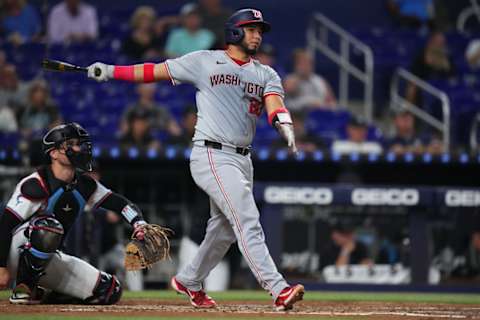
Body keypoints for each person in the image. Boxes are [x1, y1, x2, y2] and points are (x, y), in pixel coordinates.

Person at [87, 8, 304, 311]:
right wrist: (110, 71)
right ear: (235, 32)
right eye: (251, 29)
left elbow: (275, 105)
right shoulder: (205, 61)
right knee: (247, 218)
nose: (257, 35)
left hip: (243, 159)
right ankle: (278, 289)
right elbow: (153, 71)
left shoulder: (266, 73)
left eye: (260, 30)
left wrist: (284, 124)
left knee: (225, 230)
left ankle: (189, 280)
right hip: (212, 153)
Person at [0, 122, 162, 304]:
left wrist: (139, 223)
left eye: (78, 143)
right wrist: (2, 267)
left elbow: (120, 203)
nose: (77, 148)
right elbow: (5, 224)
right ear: (53, 153)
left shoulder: (85, 185)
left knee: (109, 290)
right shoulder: (36, 183)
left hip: (48, 257)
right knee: (48, 227)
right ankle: (24, 288)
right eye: (69, 145)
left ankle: (43, 293)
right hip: (13, 252)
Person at [406, 32, 455, 106]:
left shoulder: (446, 59)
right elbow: (414, 81)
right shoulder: (420, 58)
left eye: (442, 43)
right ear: (431, 42)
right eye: (438, 43)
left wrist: (446, 64)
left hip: (442, 90)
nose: (440, 46)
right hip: (424, 89)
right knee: (413, 88)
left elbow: (452, 78)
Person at [284, 48, 337, 112]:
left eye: (308, 63)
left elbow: (331, 100)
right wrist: (299, 76)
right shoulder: (290, 79)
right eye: (302, 63)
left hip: (319, 113)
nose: (306, 66)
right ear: (296, 65)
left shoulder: (319, 80)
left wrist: (329, 106)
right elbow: (289, 90)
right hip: (297, 114)